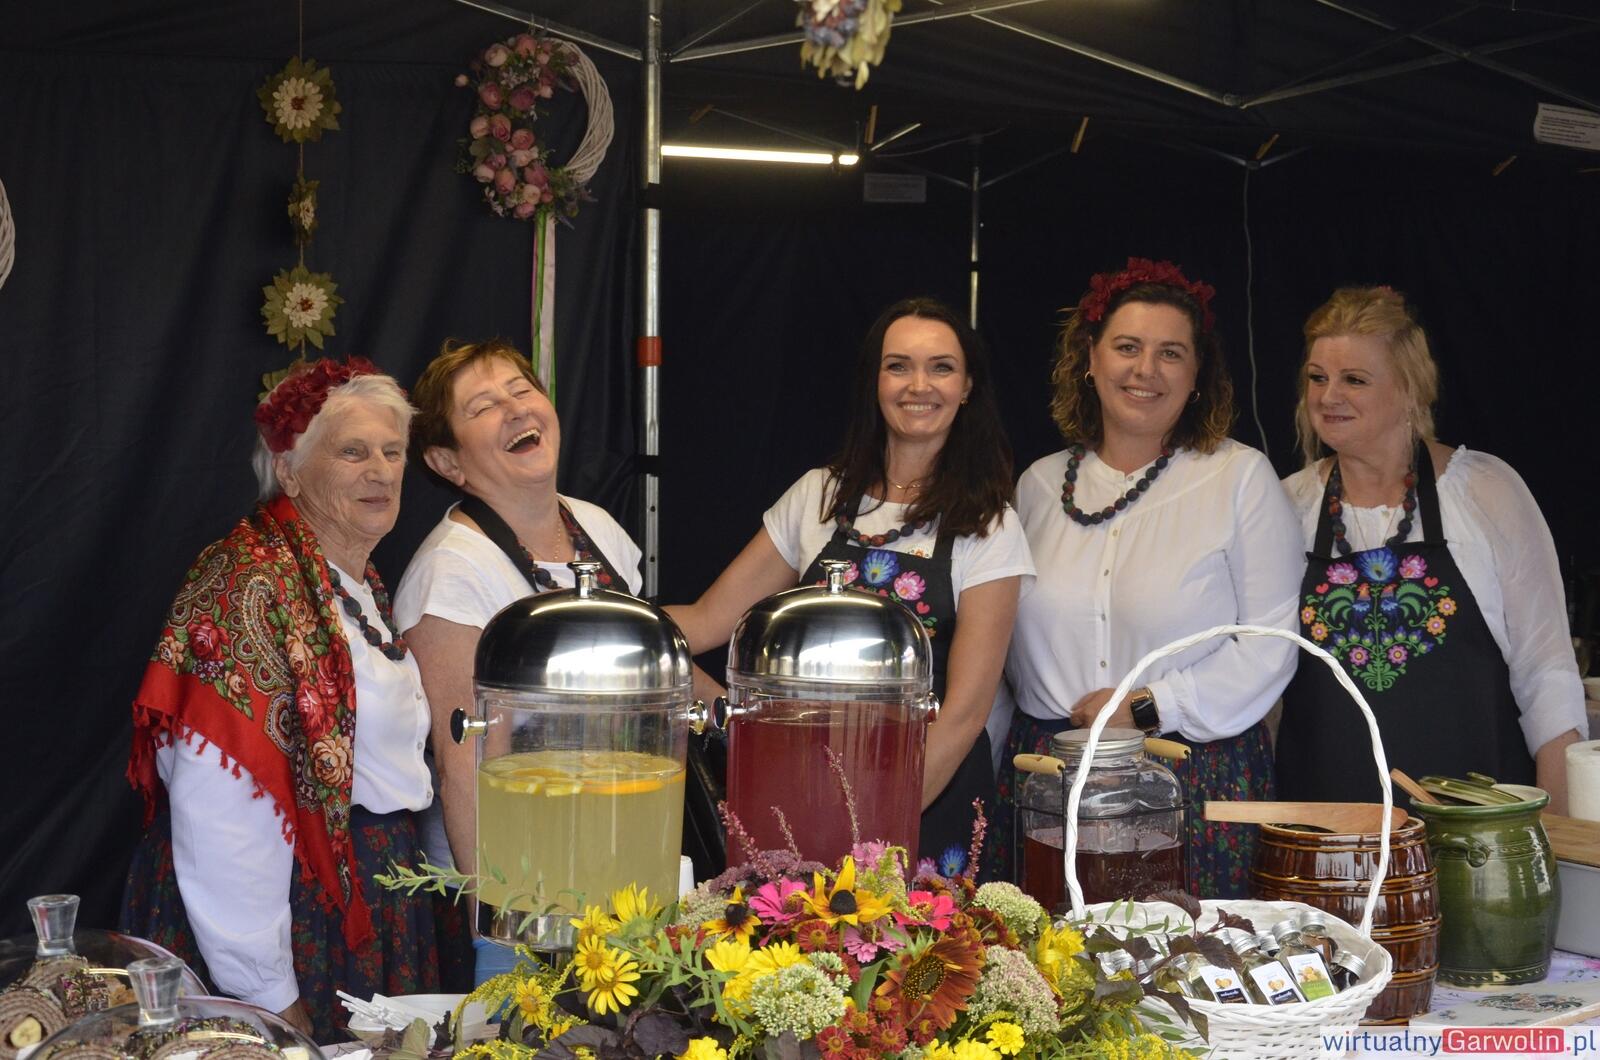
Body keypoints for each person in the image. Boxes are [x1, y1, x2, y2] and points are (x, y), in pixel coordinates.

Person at [121, 358, 437, 1041]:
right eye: (353, 452)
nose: (381, 471)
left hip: (363, 898)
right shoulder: (249, 583)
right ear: (289, 471)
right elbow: (222, 811)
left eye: (393, 452)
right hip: (286, 923)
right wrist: (268, 997)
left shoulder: (352, 581)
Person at [666, 297, 1032, 877]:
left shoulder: (989, 523)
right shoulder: (818, 495)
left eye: (941, 367)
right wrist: (625, 630)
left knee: (918, 939)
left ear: (967, 387)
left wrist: (869, 827)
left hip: (924, 800)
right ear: (874, 382)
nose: (919, 385)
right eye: (898, 366)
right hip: (798, 796)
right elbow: (709, 620)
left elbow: (965, 712)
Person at [998, 258, 1304, 898]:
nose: (1146, 369)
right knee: (1045, 955)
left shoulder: (1239, 478)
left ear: (1197, 375)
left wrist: (1146, 706)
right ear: (1090, 358)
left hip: (1190, 773)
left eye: (1171, 353)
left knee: (1187, 955)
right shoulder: (1036, 486)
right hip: (1048, 775)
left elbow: (1271, 644)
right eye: (1128, 347)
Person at [1277, 286, 1587, 810]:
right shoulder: (1288, 506)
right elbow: (1264, 687)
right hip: (1326, 832)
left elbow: (1547, 676)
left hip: (1474, 832)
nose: (1329, 396)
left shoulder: (1485, 491)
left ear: (1411, 389)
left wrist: (1555, 834)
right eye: (1317, 377)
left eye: (1354, 379)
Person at [392, 339, 642, 982]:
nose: (514, 409)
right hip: (525, 885)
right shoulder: (450, 572)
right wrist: (502, 928)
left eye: (521, 390)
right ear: (447, 461)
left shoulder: (597, 526)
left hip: (618, 854)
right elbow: (464, 764)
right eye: (483, 406)